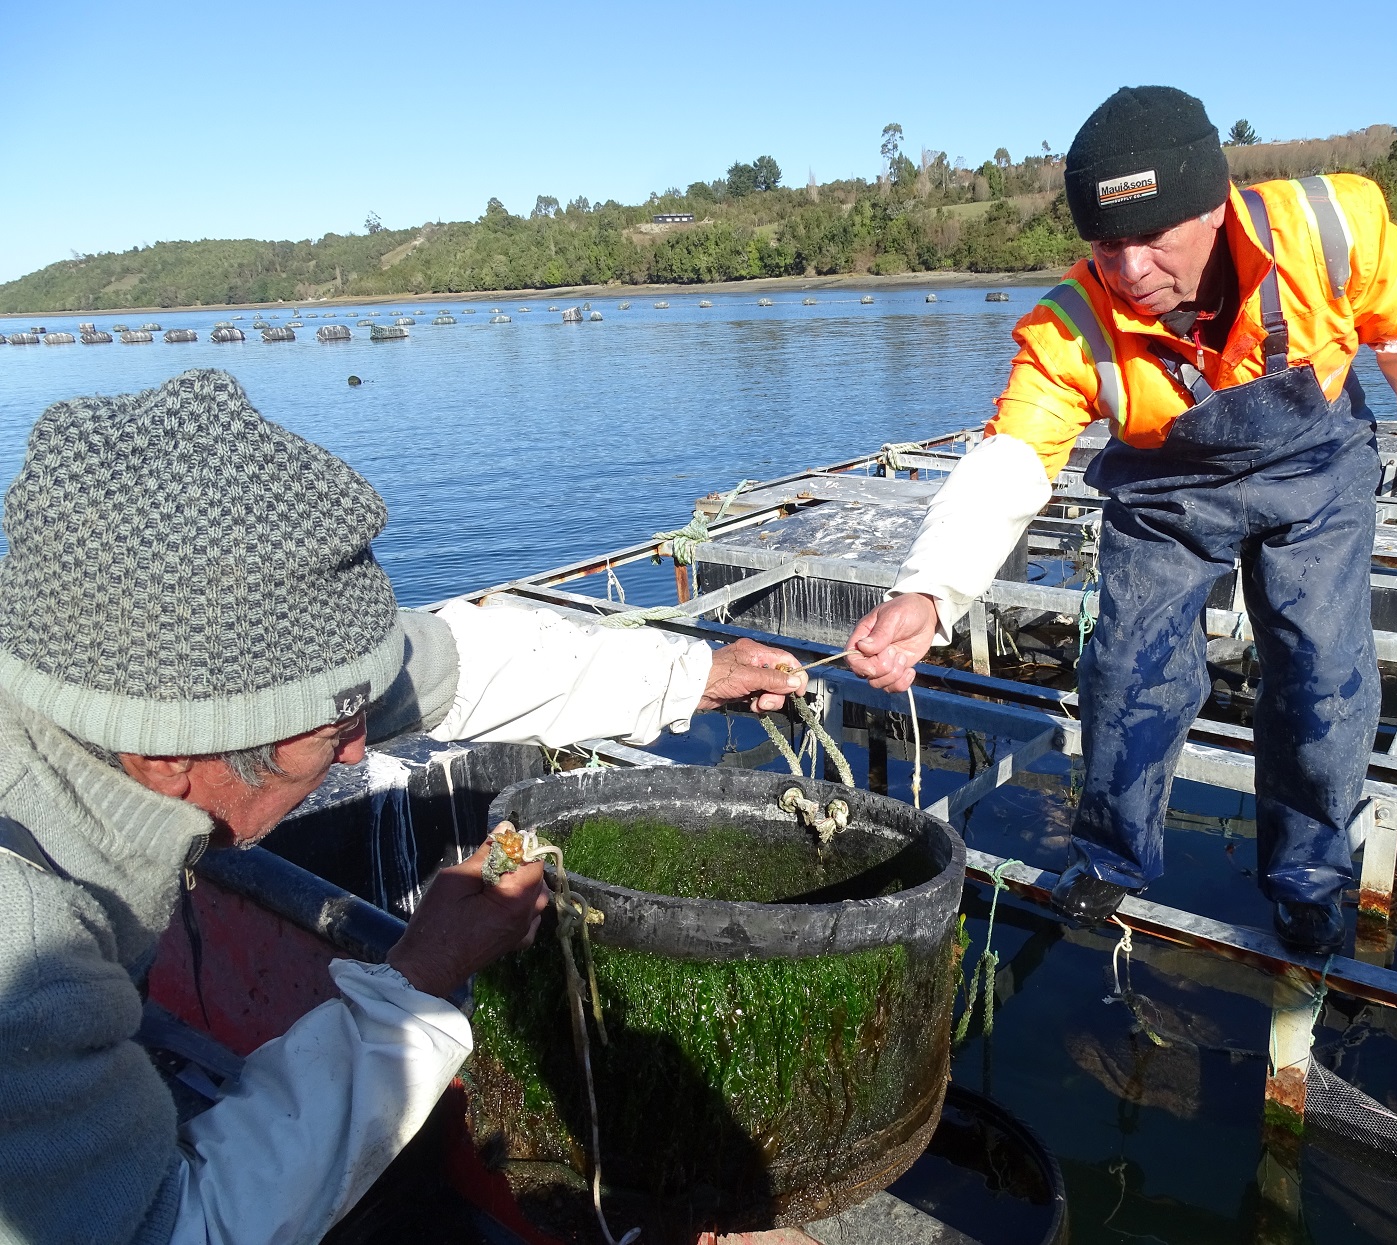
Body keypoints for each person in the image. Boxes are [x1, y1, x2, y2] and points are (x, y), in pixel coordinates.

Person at [0, 369, 805, 1244]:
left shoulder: (113, 654)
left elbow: (442, 664)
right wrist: (414, 981)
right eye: (332, 736)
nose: (363, 749)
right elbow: (172, 1229)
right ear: (168, 756)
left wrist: (693, 673)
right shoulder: (28, 952)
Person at [847, 87, 1397, 954]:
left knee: (1320, 672)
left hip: (1313, 476)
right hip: (1166, 493)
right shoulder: (1071, 325)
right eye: (1104, 245)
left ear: (1213, 207)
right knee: (1125, 671)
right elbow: (1009, 458)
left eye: (1152, 239)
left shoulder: (1332, 227)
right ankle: (1115, 855)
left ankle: (1308, 877)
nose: (1128, 272)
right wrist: (926, 594)